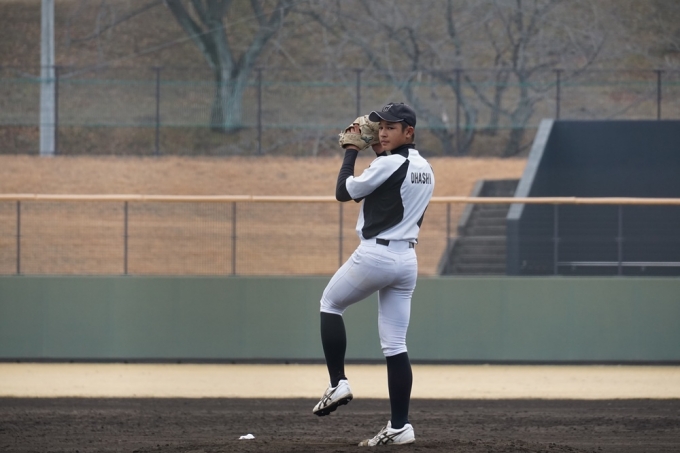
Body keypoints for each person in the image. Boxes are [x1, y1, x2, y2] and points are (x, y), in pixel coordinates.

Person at [312, 102, 435, 447]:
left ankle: (338, 383)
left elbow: (344, 192)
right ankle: (400, 426)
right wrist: (379, 150)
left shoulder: (390, 163)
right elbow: (392, 173)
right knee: (395, 345)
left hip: (377, 255)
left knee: (330, 304)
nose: (382, 132)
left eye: (391, 127)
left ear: (408, 132)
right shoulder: (425, 167)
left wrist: (352, 150)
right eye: (380, 126)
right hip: (407, 260)